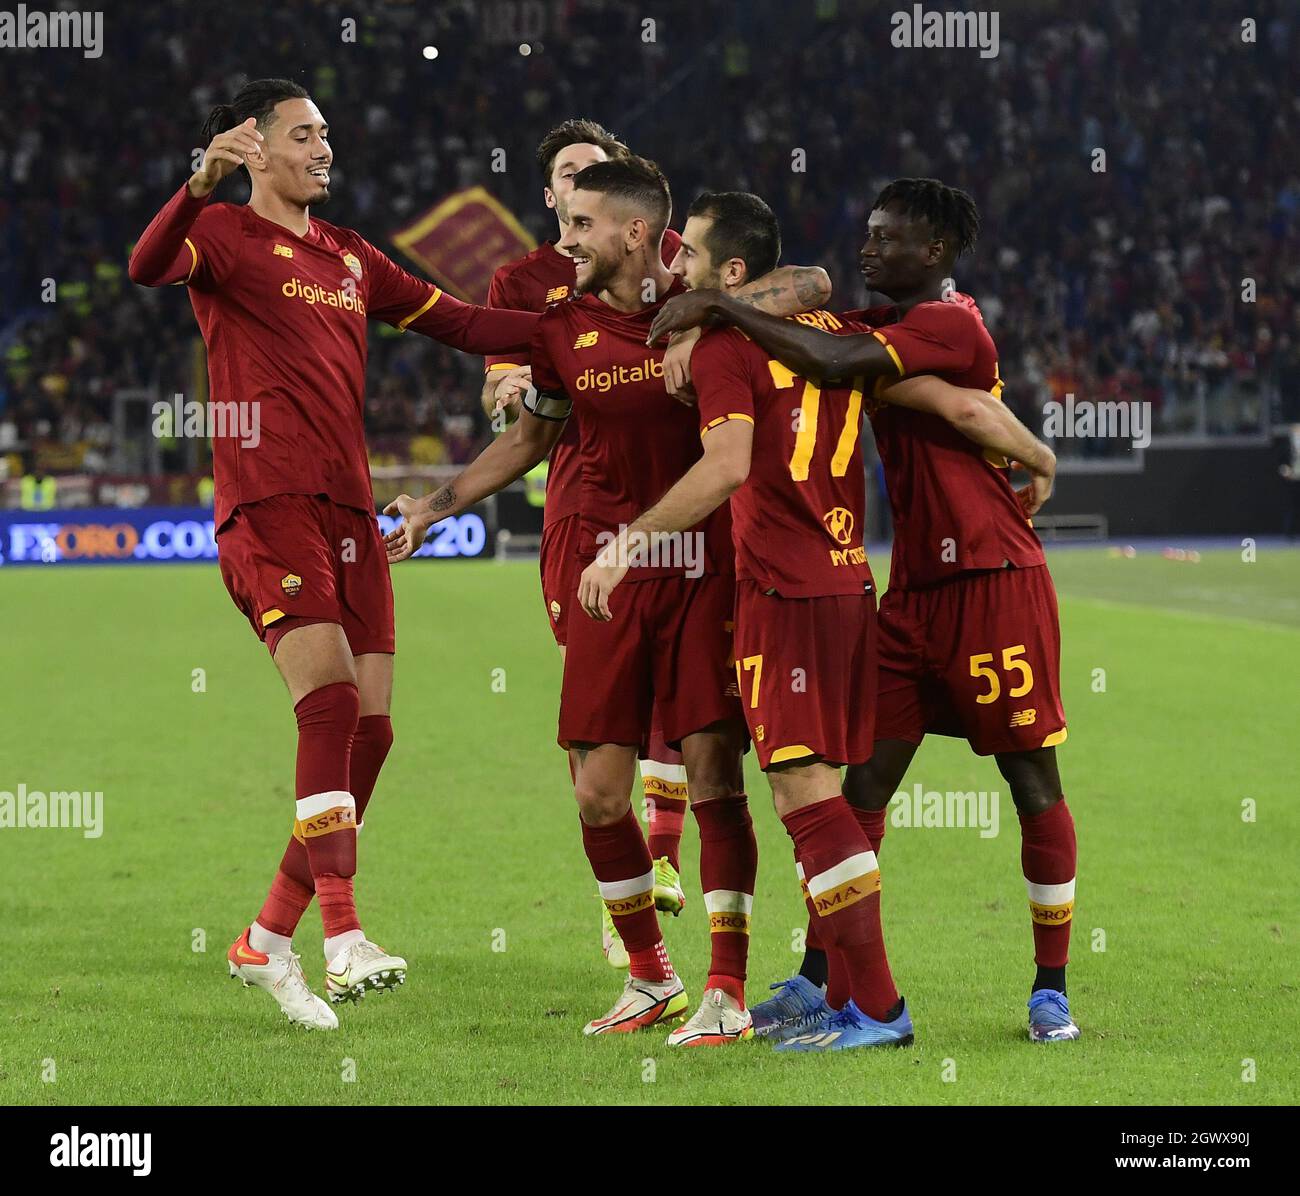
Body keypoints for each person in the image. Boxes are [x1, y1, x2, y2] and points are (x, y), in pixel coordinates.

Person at [584, 190, 1058, 1050]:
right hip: (857, 589)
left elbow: (728, 466)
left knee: (808, 793)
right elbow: (819, 292)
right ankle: (831, 986)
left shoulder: (750, 343)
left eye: (685, 255)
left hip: (796, 592)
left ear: (727, 272)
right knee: (841, 790)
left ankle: (881, 1007)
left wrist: (627, 544)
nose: (672, 271)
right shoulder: (841, 332)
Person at [385, 159, 827, 1044]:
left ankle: (726, 990)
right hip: (605, 577)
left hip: (701, 571)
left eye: (581, 224)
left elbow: (813, 284)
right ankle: (648, 975)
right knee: (595, 790)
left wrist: (715, 312)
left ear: (635, 234)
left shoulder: (704, 309)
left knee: (711, 775)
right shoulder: (562, 325)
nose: (564, 239)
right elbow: (531, 431)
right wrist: (436, 506)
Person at [128, 78, 539, 1030]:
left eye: (327, 135)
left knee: (372, 733)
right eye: (304, 134)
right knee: (330, 702)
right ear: (253, 148)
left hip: (353, 514)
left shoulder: (352, 256)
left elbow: (465, 324)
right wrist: (198, 183)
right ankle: (344, 935)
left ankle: (266, 940)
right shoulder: (222, 237)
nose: (324, 148)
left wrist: (586, 324)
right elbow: (147, 264)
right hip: (269, 504)